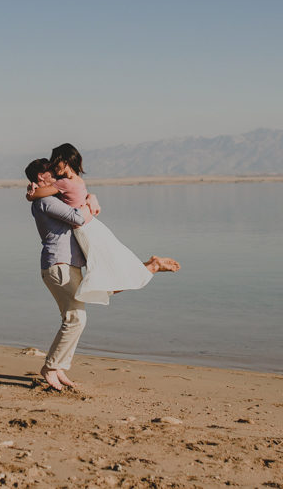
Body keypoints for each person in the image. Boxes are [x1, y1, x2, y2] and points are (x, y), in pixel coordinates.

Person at [27, 143, 180, 305]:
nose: (52, 168)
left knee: (101, 281)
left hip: (87, 231)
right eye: (48, 167)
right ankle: (151, 266)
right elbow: (69, 200)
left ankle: (152, 266)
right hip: (92, 229)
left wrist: (30, 194)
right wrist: (90, 199)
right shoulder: (59, 191)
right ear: (41, 176)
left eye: (53, 164)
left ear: (65, 162)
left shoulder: (61, 185)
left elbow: (72, 214)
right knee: (104, 278)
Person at [25, 158, 91, 391]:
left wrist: (89, 198)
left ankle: (59, 366)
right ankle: (51, 367)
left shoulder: (47, 198)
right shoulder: (45, 200)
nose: (56, 175)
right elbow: (78, 218)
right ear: (41, 178)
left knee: (73, 318)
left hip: (68, 265)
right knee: (76, 318)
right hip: (58, 265)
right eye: (51, 173)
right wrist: (88, 202)